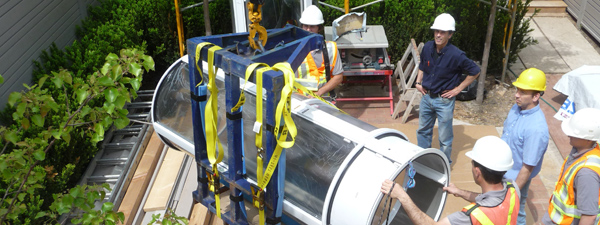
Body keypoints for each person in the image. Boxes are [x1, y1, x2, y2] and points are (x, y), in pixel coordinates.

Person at [381, 136, 520, 225]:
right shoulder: (513, 189)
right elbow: (490, 200)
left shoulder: (470, 217)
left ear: (477, 172)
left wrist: (402, 196)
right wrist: (460, 192)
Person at [415, 13, 481, 165]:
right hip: (426, 97)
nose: (438, 35)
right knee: (423, 131)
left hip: (444, 101)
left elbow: (475, 71)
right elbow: (423, 65)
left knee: (444, 138)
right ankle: (422, 161)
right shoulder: (427, 47)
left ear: (450, 34)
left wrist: (458, 89)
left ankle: (443, 165)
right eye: (437, 31)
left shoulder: (457, 55)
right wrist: (418, 83)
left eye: (443, 32)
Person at [501, 68, 550, 225]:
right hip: (501, 171)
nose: (517, 94)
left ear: (536, 96)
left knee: (516, 212)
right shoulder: (517, 108)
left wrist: (513, 191)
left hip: (514, 178)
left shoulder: (536, 129)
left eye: (522, 92)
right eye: (517, 90)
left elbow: (527, 167)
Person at [542, 108, 600, 225]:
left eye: (574, 133)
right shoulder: (581, 150)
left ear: (588, 139)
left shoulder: (586, 173)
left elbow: (589, 217)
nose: (568, 134)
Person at [295, 5, 343, 100]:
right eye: (306, 26)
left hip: (324, 100)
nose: (308, 30)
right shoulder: (294, 48)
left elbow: (338, 76)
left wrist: (319, 93)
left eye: (312, 26)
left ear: (319, 28)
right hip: (299, 100)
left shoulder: (331, 48)